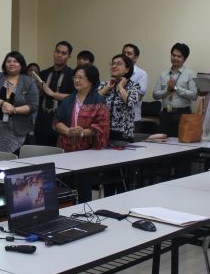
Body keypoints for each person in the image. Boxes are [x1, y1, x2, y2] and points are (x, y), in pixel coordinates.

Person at [53, 65, 110, 202]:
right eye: (75, 77)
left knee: (84, 187)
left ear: (91, 81)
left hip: (88, 152)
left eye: (80, 77)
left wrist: (83, 133)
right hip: (67, 149)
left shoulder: (98, 100)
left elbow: (102, 125)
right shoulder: (68, 100)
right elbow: (56, 121)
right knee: (66, 186)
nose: (76, 80)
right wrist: (68, 131)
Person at [0, 51, 39, 153]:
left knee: (16, 162)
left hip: (19, 129)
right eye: (8, 61)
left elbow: (33, 105)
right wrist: (3, 103)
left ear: (21, 64)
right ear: (4, 64)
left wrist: (14, 110)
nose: (11, 63)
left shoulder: (28, 81)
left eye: (15, 61)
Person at [152, 43, 198, 137]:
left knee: (181, 143)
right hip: (165, 114)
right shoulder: (163, 74)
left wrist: (176, 88)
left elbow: (194, 95)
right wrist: (167, 90)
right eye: (173, 55)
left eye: (179, 56)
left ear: (184, 59)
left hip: (182, 114)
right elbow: (155, 95)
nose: (175, 58)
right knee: (163, 144)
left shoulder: (190, 74)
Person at [35, 41, 74, 146]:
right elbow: (36, 98)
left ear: (69, 56)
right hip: (41, 123)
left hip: (62, 124)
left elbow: (74, 97)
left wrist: (51, 93)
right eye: (57, 52)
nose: (59, 55)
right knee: (39, 157)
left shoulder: (73, 75)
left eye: (63, 53)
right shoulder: (43, 73)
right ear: (54, 52)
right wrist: (39, 91)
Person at [98, 54, 141, 143]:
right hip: (104, 133)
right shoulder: (105, 84)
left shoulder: (133, 86)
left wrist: (121, 87)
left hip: (123, 135)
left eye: (118, 64)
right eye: (113, 64)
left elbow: (130, 103)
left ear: (127, 69)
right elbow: (93, 102)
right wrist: (106, 88)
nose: (114, 66)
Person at [122, 44, 148, 124]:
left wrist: (121, 88)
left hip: (132, 119)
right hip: (115, 119)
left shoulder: (141, 74)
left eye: (129, 54)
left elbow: (137, 98)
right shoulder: (117, 71)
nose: (125, 56)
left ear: (136, 58)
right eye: (124, 53)